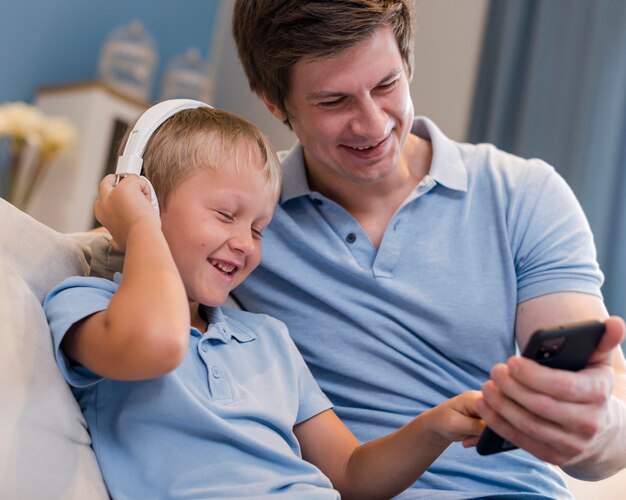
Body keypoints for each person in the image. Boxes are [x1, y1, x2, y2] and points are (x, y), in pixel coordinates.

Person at [230, 0, 626, 498]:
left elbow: (609, 439)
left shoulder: (523, 194)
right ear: (273, 101)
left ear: (407, 63)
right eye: (334, 102)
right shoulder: (248, 219)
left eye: (386, 85)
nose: (373, 125)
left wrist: (594, 426)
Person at [44, 104, 486, 499]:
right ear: (146, 198)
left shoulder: (268, 339)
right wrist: (139, 226)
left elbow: (352, 475)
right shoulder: (89, 305)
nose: (244, 243)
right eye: (225, 215)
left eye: (259, 228)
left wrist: (434, 427)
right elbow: (158, 342)